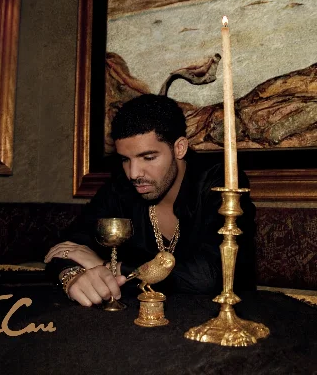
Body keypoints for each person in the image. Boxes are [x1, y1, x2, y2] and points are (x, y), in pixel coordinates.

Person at [44, 94, 256, 307]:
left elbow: (209, 276)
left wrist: (109, 267)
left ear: (179, 148)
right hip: (137, 318)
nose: (134, 173)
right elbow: (66, 245)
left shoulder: (220, 182)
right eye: (125, 159)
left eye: (148, 157)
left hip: (222, 316)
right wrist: (71, 276)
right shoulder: (121, 187)